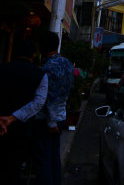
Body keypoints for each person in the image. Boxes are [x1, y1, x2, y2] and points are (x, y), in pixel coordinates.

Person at [0, 37, 48, 185]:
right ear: (34, 55)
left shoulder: (2, 69)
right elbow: (38, 102)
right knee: (14, 169)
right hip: (22, 129)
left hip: (1, 126)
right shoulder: (40, 74)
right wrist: (13, 118)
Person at [33, 32, 74, 185]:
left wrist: (51, 122)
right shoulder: (68, 64)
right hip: (61, 116)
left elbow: (49, 97)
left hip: (47, 120)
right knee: (53, 156)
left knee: (43, 161)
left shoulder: (48, 67)